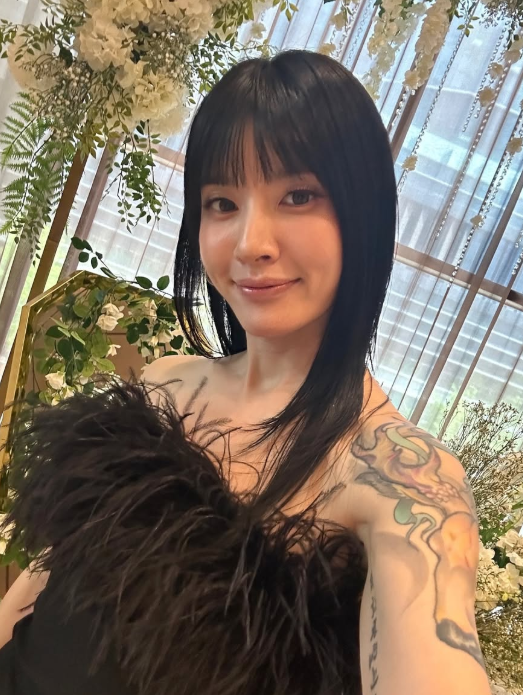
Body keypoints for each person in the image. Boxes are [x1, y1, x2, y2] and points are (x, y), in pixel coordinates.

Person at [0, 49, 491, 695]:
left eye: (297, 196)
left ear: (364, 214)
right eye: (222, 202)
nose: (251, 243)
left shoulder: (397, 477)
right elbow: (44, 586)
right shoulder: (166, 385)